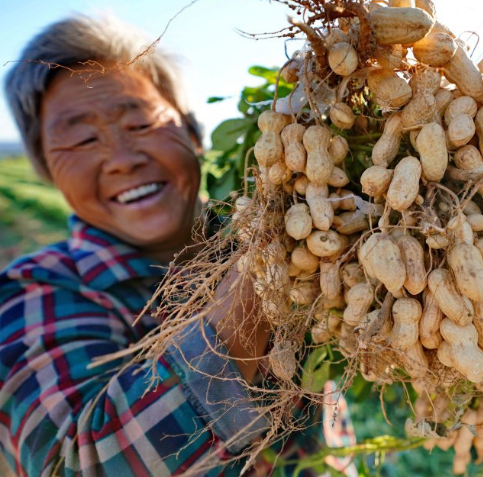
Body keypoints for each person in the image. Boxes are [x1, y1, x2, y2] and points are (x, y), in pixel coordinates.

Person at [0, 14, 355, 477]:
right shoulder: (31, 295)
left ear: (193, 132)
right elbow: (74, 466)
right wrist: (265, 265)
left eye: (142, 124)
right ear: (48, 172)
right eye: (83, 140)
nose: (123, 160)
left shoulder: (321, 227)